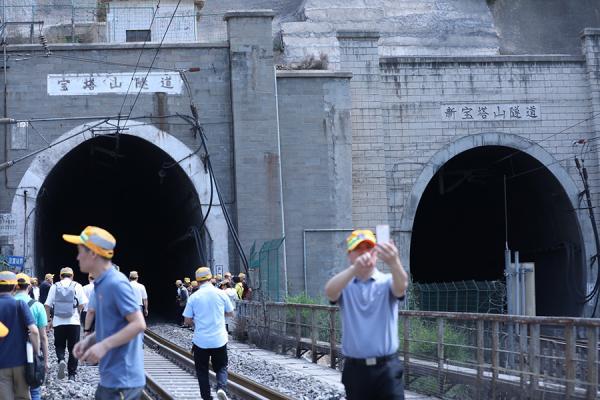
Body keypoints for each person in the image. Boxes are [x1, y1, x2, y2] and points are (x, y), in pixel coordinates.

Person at [324, 229, 409, 400]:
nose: (364, 253)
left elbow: (401, 287)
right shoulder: (345, 285)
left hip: (387, 368)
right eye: (359, 248)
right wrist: (354, 269)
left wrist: (394, 262)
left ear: (376, 252)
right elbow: (330, 292)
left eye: (369, 248)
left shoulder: (386, 282)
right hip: (356, 370)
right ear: (350, 255)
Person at [67, 226, 146, 400]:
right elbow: (113, 326)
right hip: (111, 378)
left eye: (80, 251)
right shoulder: (101, 284)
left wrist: (104, 345)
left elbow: (138, 324)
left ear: (93, 254)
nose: (77, 257)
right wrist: (89, 340)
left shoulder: (116, 284)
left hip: (123, 381)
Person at [183, 267, 234, 400]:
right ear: (211, 278)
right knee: (221, 367)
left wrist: (197, 321)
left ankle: (207, 398)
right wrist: (218, 315)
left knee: (202, 372)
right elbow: (231, 312)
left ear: (197, 281)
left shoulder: (194, 297)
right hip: (219, 339)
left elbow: (187, 320)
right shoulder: (221, 294)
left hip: (201, 341)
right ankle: (221, 388)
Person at [0, 270, 40, 399]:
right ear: (15, 287)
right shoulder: (20, 304)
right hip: (21, 363)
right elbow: (34, 331)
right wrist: (36, 353)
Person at [44, 266, 88, 380]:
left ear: (60, 276)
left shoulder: (54, 286)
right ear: (72, 276)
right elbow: (82, 303)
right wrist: (77, 312)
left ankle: (61, 359)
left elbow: (47, 305)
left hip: (58, 321)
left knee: (59, 344)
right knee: (74, 347)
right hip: (74, 321)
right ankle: (72, 374)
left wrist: (49, 320)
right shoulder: (77, 286)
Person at [15, 273, 49, 400]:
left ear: (15, 287)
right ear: (29, 286)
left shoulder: (7, 303)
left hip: (11, 352)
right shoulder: (38, 306)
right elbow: (43, 337)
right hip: (32, 352)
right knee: (34, 389)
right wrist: (45, 360)